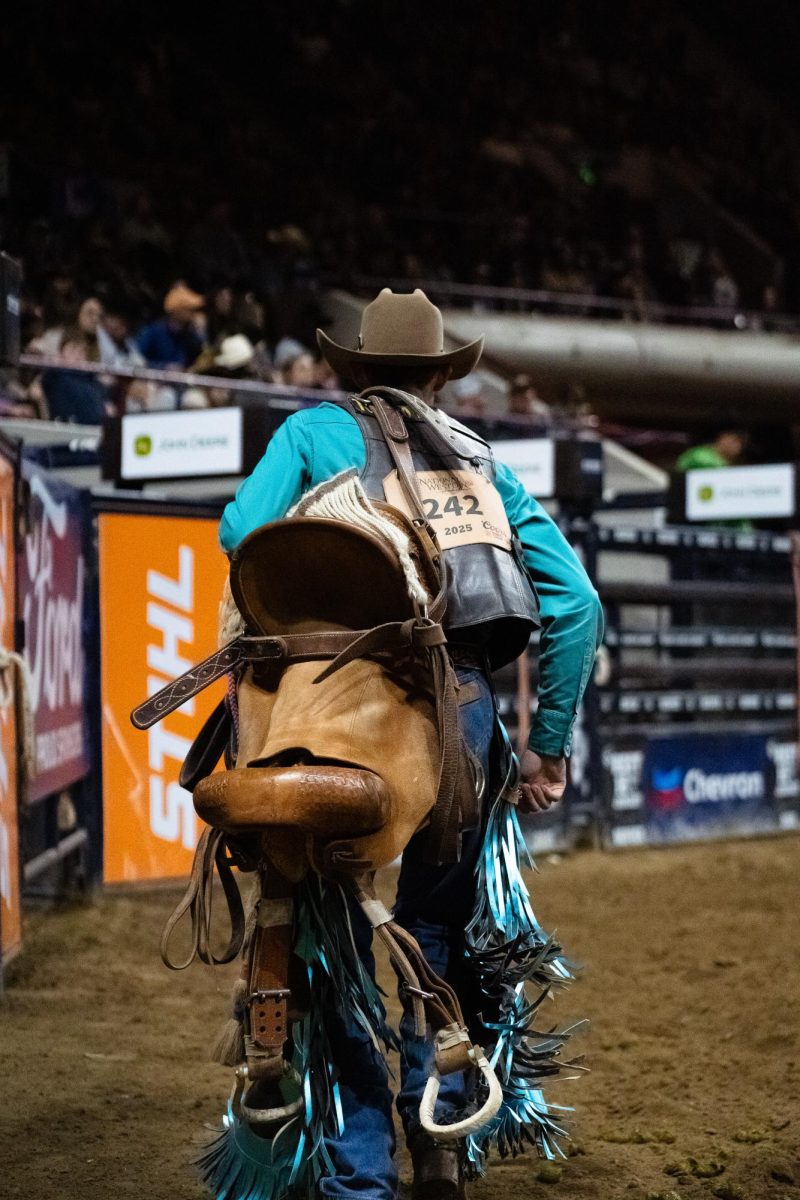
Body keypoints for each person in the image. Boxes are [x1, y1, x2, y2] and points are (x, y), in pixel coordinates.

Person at [219, 289, 602, 1200]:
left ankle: (360, 1177)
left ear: (354, 367)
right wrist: (545, 746)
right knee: (440, 929)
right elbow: (577, 604)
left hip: (334, 706)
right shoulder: (479, 463)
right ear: (442, 373)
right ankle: (442, 1141)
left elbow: (242, 533)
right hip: (459, 713)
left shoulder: (312, 433)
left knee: (336, 938)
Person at [40, 329, 110, 424]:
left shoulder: (94, 381)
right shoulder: (54, 376)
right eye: (73, 350)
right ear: (61, 353)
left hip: (96, 428)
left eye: (81, 351)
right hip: (70, 428)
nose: (77, 355)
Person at [136, 283, 206, 368]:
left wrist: (202, 331)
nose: (194, 314)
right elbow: (136, 360)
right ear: (177, 312)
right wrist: (164, 368)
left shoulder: (191, 335)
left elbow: (200, 359)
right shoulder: (154, 331)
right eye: (190, 310)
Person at [676, 426, 748, 472]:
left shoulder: (726, 462)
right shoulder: (699, 455)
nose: (738, 447)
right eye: (734, 441)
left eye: (741, 444)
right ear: (723, 438)